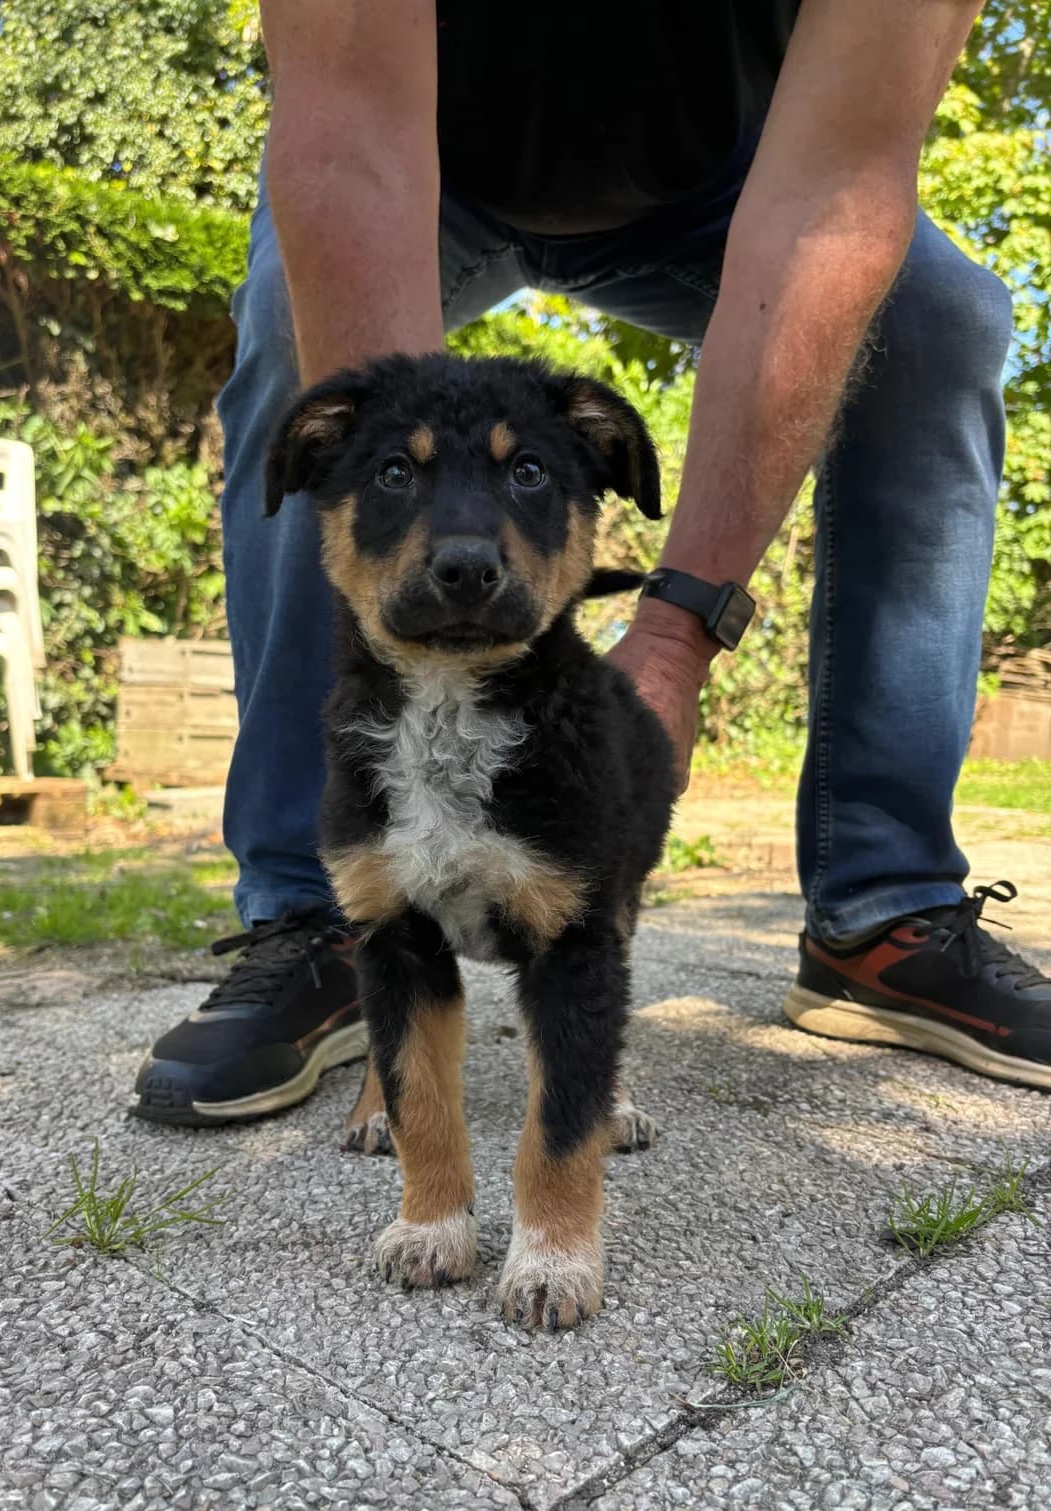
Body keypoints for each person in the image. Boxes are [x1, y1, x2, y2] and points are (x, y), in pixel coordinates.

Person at [131, 0, 1051, 1127]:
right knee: (292, 331)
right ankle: (320, 916)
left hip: (724, 181)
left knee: (938, 324)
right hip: (428, 156)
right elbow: (349, 139)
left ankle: (883, 905)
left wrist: (676, 633)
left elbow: (837, 192)